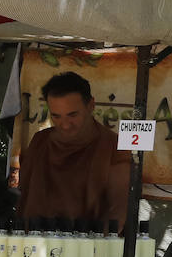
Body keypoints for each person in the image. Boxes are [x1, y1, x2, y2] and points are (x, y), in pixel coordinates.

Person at [16, 71, 133, 229]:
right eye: (56, 116)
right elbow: (24, 192)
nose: (65, 124)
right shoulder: (40, 140)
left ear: (91, 105)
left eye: (72, 115)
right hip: (35, 242)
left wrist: (95, 247)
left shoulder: (115, 145)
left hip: (87, 245)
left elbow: (119, 209)